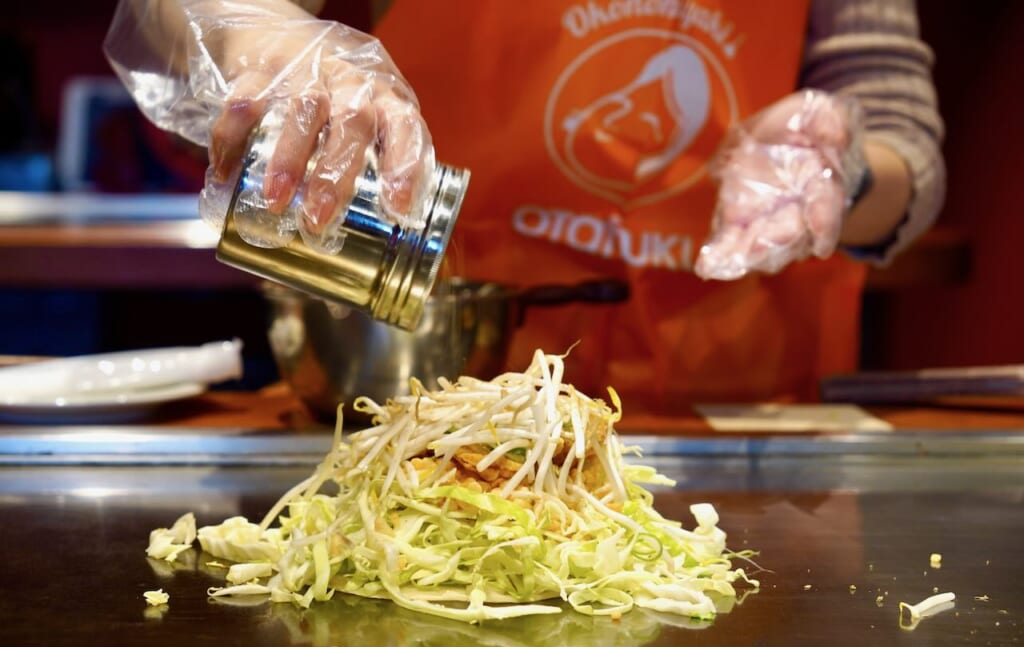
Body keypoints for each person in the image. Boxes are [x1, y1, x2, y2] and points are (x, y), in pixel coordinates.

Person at [104, 0, 945, 425]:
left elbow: (902, 126)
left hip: (736, 420)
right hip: (433, 396)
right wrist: (257, 34)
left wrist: (844, 171)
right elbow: (168, 10)